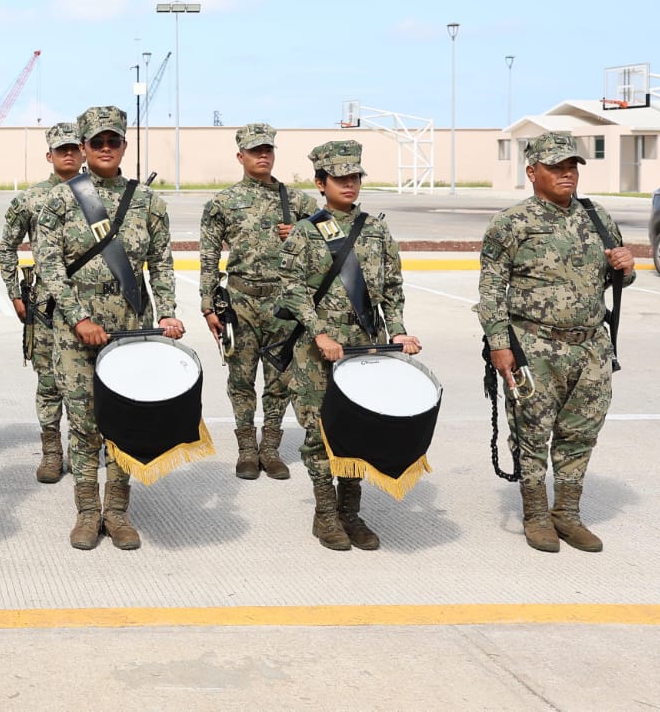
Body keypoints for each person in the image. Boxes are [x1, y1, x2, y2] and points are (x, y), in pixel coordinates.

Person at [33, 105, 184, 551]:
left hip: (130, 329)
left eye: (112, 141)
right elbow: (49, 266)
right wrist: (79, 318)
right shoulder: (59, 200)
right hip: (74, 332)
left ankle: (117, 512)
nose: (104, 148)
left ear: (123, 145)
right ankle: (86, 512)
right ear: (83, 147)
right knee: (83, 424)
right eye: (96, 142)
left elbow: (161, 263)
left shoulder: (148, 201)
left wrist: (167, 312)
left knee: (123, 422)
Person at [477, 131, 634, 553]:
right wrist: (499, 345)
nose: (567, 174)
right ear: (532, 172)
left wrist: (626, 267)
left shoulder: (596, 217)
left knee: (580, 433)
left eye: (572, 167)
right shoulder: (512, 223)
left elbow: (617, 277)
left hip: (591, 347)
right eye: (556, 167)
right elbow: (491, 291)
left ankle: (567, 513)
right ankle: (535, 514)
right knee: (531, 434)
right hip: (534, 347)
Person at [278, 140, 421, 552]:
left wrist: (397, 331)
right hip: (317, 351)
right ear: (320, 183)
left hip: (365, 348)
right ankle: (326, 515)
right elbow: (291, 287)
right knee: (320, 434)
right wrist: (318, 332)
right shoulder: (307, 232)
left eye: (355, 177)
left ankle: (350, 512)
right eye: (340, 178)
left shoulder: (376, 229)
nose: (349, 184)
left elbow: (392, 286)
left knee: (359, 433)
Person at [198, 123, 317, 480]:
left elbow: (331, 248)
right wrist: (208, 305)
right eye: (255, 150)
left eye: (268, 149)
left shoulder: (298, 202)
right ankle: (248, 449)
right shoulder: (222, 202)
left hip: (283, 304)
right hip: (240, 303)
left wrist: (302, 233)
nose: (263, 155)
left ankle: (271, 448)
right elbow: (208, 257)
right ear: (241, 156)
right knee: (241, 378)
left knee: (280, 380)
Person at [0, 121, 84, 482]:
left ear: (83, 152)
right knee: (49, 381)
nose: (68, 154)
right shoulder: (30, 198)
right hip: (46, 306)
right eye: (61, 149)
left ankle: (83, 448)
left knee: (85, 383)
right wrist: (14, 292)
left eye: (74, 148)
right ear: (49, 155)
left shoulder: (97, 195)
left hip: (87, 305)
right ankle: (51, 451)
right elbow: (7, 246)